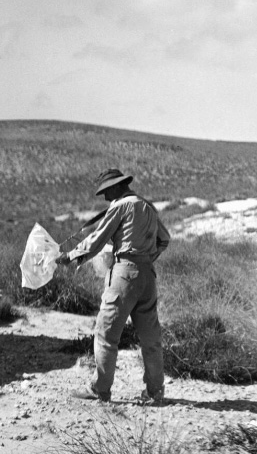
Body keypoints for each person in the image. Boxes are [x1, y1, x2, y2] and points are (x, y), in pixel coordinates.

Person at [55, 169, 170, 405]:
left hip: (124, 276)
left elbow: (96, 240)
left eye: (106, 191)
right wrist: (146, 259)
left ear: (117, 187)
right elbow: (165, 239)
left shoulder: (120, 206)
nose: (106, 197)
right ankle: (155, 392)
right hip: (148, 277)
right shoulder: (147, 206)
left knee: (106, 335)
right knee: (151, 339)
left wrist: (70, 256)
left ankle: (100, 390)